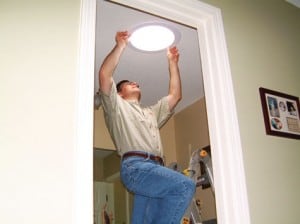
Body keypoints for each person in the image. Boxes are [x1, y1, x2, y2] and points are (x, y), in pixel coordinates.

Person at [98, 31, 195, 224]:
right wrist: (120, 45)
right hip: (136, 168)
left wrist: (173, 64)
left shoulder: (151, 113)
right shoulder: (116, 107)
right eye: (128, 84)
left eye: (135, 83)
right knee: (185, 185)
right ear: (119, 93)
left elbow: (175, 96)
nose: (135, 83)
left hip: (154, 170)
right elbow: (104, 74)